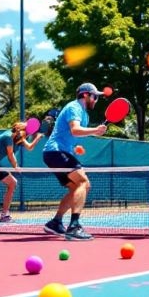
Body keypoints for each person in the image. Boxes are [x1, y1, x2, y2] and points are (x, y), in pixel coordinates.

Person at [41, 83, 107, 240]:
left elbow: (74, 134)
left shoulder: (85, 114)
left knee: (75, 188)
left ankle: (55, 222)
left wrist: (77, 145)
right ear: (85, 95)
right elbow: (75, 130)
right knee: (84, 183)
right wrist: (95, 130)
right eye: (95, 96)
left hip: (58, 152)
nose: (96, 100)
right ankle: (74, 226)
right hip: (56, 151)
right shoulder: (74, 107)